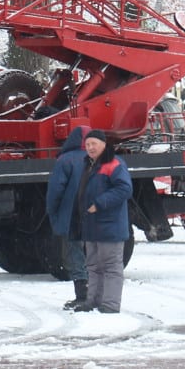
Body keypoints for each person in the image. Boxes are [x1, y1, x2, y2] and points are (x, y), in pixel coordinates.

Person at [77, 129, 132, 314]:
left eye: (94, 144)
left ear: (104, 145)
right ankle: (92, 301)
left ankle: (110, 305)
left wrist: (99, 204)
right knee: (93, 266)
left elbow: (124, 189)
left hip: (110, 225)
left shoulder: (114, 164)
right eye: (87, 145)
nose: (90, 148)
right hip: (92, 225)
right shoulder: (89, 165)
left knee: (111, 267)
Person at [44, 127, 90, 310]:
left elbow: (55, 191)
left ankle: (82, 295)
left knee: (75, 253)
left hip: (74, 215)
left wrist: (53, 212)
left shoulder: (66, 160)